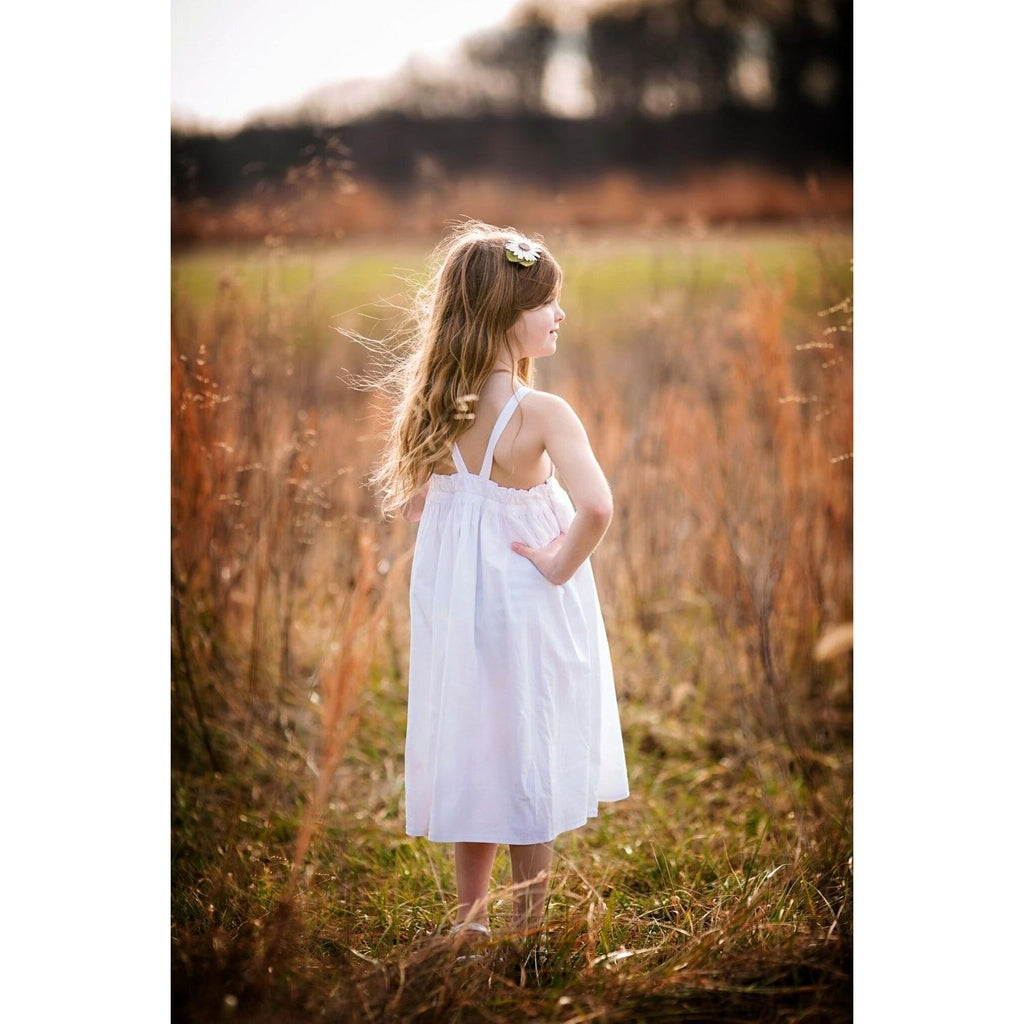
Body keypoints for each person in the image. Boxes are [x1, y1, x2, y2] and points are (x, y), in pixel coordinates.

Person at [372, 220, 629, 941]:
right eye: (547, 302)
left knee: (476, 741)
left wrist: (464, 528)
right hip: (526, 597)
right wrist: (556, 561)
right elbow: (599, 507)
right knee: (528, 747)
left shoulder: (436, 409)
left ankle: (469, 921)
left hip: (456, 603)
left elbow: (419, 504)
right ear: (504, 317)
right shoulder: (541, 413)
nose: (559, 314)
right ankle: (529, 928)